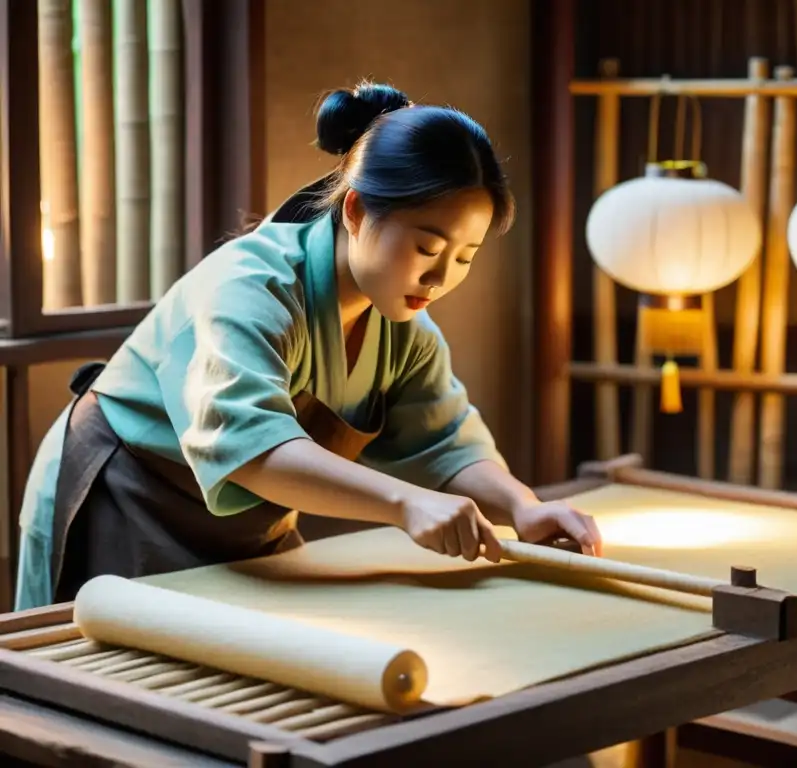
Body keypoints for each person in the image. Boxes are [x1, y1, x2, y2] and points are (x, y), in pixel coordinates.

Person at [14, 82, 603, 612]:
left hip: (244, 520)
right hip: (125, 488)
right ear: (356, 209)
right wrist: (404, 504)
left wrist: (522, 506)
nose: (439, 277)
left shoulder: (405, 332)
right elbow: (253, 448)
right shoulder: (250, 287)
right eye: (427, 249)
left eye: (464, 258)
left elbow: (446, 441)